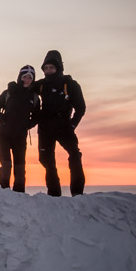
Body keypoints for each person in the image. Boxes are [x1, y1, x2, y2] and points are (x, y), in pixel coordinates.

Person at [36, 50, 86, 196]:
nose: (48, 71)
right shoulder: (41, 85)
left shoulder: (70, 84)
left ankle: (77, 193)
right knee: (46, 159)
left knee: (75, 155)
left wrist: (72, 124)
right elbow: (25, 86)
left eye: (51, 67)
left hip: (64, 127)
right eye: (46, 68)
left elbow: (80, 108)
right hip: (45, 128)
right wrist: (14, 85)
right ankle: (54, 193)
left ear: (58, 67)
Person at [0, 65, 40, 192]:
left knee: (20, 167)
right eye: (25, 76)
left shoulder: (34, 97)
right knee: (6, 165)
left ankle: (19, 194)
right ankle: (4, 192)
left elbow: (36, 116)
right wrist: (4, 120)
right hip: (3, 135)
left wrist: (28, 125)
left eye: (30, 77)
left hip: (20, 136)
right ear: (20, 77)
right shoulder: (8, 93)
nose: (27, 79)